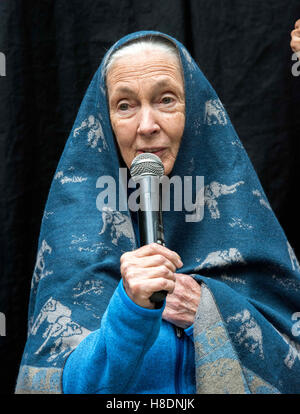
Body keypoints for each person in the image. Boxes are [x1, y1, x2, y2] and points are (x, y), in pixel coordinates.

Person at [15, 31, 300, 394]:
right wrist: (130, 309)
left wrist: (208, 309)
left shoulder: (246, 224)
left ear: (195, 112)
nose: (147, 125)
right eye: (125, 105)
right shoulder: (74, 234)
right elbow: (61, 386)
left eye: (166, 100)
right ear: (104, 122)